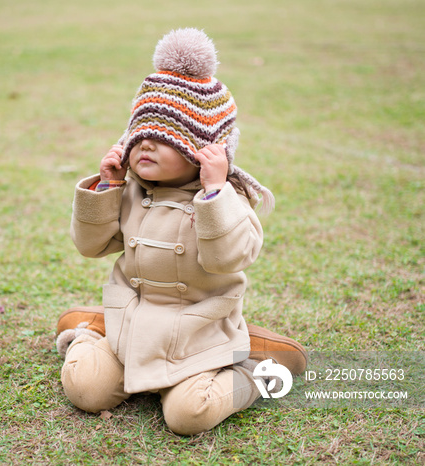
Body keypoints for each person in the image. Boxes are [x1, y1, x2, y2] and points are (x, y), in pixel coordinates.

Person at [55, 28, 308, 436]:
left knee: (188, 416)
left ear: (204, 151)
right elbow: (90, 245)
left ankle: (256, 364)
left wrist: (213, 194)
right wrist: (106, 189)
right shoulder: (133, 191)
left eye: (164, 138)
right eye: (139, 136)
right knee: (85, 389)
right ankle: (92, 332)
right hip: (134, 325)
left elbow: (229, 257)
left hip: (198, 335)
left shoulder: (226, 200)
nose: (146, 147)